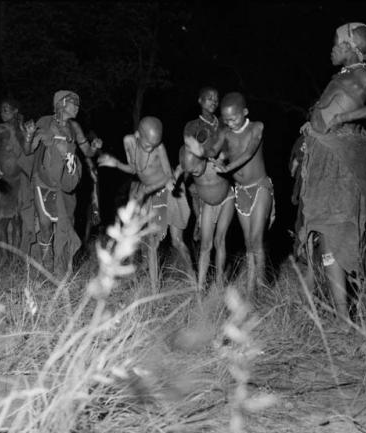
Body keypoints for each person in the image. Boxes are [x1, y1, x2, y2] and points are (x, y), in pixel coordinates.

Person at [297, 22, 366, 319]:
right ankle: (338, 314)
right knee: (326, 233)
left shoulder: (360, 74)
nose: (332, 47)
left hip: (340, 165)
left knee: (334, 234)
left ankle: (343, 318)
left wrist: (346, 116)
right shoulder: (344, 75)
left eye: (337, 43)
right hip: (326, 159)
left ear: (351, 47)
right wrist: (313, 126)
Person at [186, 92, 274, 297]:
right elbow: (213, 150)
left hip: (260, 187)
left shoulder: (256, 127)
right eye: (225, 120)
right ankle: (253, 289)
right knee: (248, 243)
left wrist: (228, 168)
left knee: (256, 240)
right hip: (241, 192)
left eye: (233, 118)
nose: (230, 123)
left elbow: (249, 152)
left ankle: (260, 291)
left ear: (245, 112)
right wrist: (199, 148)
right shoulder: (225, 132)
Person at [97, 116, 193, 287]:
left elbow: (167, 175)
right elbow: (134, 168)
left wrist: (163, 184)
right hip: (148, 193)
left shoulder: (159, 148)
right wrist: (116, 163)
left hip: (166, 192)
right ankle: (154, 290)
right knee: (151, 244)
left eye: (155, 145)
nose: (151, 148)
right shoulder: (129, 142)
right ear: (137, 135)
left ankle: (194, 281)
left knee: (176, 241)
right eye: (148, 144)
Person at [23, 90, 103, 275]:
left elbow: (87, 153)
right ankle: (45, 267)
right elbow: (28, 151)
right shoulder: (45, 122)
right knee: (44, 225)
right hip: (43, 183)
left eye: (77, 103)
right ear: (61, 104)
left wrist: (94, 147)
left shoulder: (75, 128)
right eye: (73, 103)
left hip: (66, 185)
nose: (77, 107)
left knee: (63, 227)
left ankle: (59, 273)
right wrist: (28, 136)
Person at [183, 87, 221, 243]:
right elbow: (188, 155)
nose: (214, 101)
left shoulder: (223, 125)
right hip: (200, 182)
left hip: (221, 181)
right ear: (200, 100)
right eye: (209, 98)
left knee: (218, 232)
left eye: (216, 99)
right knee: (203, 230)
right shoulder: (192, 126)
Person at [0, 98, 35, 255]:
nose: (2, 112)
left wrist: (27, 134)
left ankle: (17, 259)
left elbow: (27, 152)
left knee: (18, 221)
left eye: (6, 109)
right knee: (2, 222)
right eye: (1, 110)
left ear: (15, 111)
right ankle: (5, 258)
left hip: (21, 181)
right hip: (4, 181)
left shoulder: (22, 129)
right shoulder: (0, 129)